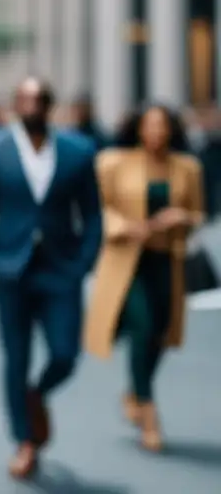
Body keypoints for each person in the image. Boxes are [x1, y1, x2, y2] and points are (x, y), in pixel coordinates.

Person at [0, 78, 102, 480]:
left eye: (39, 100)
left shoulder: (79, 150)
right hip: (10, 269)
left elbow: (93, 213)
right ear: (15, 105)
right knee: (16, 357)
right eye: (24, 99)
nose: (32, 106)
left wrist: (85, 261)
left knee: (65, 354)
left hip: (61, 268)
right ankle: (25, 441)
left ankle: (36, 394)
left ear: (49, 105)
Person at [84, 105, 203, 453]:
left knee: (163, 332)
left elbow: (199, 212)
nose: (156, 132)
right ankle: (148, 411)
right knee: (143, 325)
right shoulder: (113, 162)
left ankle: (135, 390)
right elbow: (97, 207)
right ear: (138, 129)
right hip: (126, 260)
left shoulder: (187, 167)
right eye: (150, 125)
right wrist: (125, 227)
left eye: (163, 126)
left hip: (166, 260)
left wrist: (180, 217)